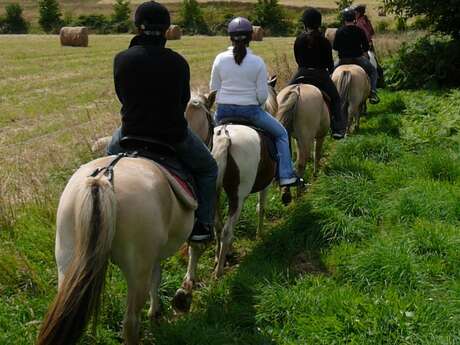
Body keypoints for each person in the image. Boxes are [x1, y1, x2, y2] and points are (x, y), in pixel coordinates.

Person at [107, 1, 217, 243]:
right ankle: (203, 224)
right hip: (172, 136)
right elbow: (182, 102)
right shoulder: (178, 62)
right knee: (209, 169)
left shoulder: (121, 59)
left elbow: (122, 96)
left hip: (129, 132)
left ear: (138, 27)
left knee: (105, 161)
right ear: (167, 30)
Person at [210, 17, 301, 187]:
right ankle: (286, 176)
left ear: (230, 37)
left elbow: (214, 89)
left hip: (222, 112)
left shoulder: (219, 59)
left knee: (205, 138)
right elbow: (261, 96)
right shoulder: (257, 62)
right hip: (251, 112)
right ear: (251, 37)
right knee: (281, 134)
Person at [289, 8, 346, 140]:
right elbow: (329, 64)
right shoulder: (325, 41)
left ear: (305, 24)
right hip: (321, 74)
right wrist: (330, 71)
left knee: (283, 95)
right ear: (318, 24)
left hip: (301, 72)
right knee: (336, 99)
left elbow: (298, 60)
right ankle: (338, 128)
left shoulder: (299, 40)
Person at [333, 7, 380, 104]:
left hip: (343, 60)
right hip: (358, 59)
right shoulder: (359, 31)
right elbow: (366, 47)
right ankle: (373, 93)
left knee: (330, 72)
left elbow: (335, 47)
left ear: (344, 19)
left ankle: (332, 96)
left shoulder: (339, 31)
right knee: (373, 72)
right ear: (354, 18)